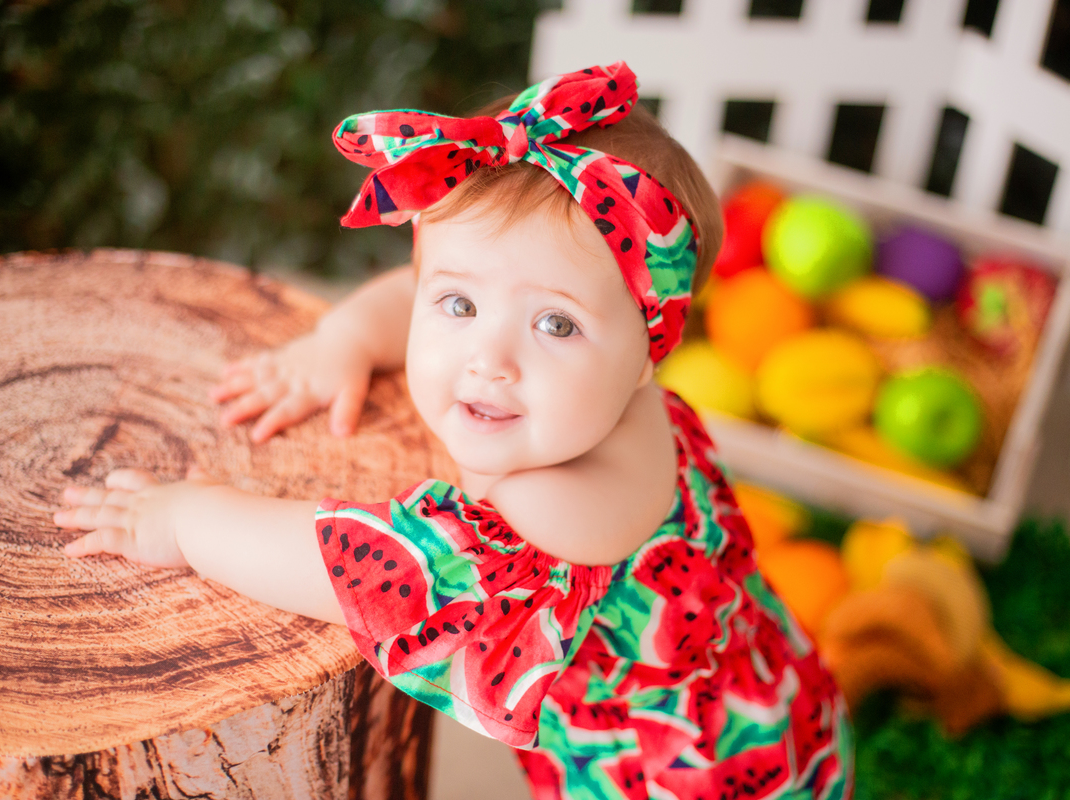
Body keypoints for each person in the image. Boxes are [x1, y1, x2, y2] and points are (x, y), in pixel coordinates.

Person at [54, 62, 852, 800]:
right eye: (463, 309)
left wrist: (189, 520)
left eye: (556, 324)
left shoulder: (560, 520)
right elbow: (422, 281)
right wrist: (344, 340)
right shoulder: (607, 390)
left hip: (698, 779)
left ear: (651, 350)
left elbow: (367, 567)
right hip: (778, 692)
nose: (489, 360)